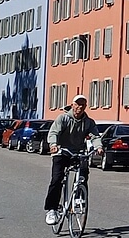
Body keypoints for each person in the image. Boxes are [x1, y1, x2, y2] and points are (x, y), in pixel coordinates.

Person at [43, 94, 103, 225]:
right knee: (56, 179)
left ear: (85, 106)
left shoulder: (89, 122)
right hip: (61, 152)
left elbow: (95, 136)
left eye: (82, 104)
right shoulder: (63, 118)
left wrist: (98, 147)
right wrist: (53, 145)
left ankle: (79, 198)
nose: (80, 107)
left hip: (78, 152)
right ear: (72, 105)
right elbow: (53, 133)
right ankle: (52, 209)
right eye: (77, 104)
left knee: (83, 174)